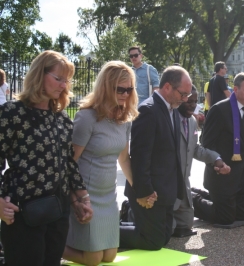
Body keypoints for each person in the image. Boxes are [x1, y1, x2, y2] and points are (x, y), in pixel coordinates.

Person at [0, 50, 92, 265]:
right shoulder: (11, 113)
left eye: (66, 80)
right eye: (58, 78)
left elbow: (68, 165)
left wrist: (81, 200)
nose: (63, 85)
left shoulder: (61, 119)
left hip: (58, 212)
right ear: (39, 74)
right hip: (22, 212)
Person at [63, 62, 138, 265]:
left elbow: (123, 159)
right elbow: (69, 163)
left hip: (108, 195)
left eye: (129, 89)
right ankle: (49, 243)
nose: (125, 94)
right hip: (86, 195)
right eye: (119, 89)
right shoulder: (86, 117)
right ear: (106, 87)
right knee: (93, 259)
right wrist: (75, 199)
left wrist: (138, 189)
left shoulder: (125, 119)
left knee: (110, 256)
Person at [120, 66, 192, 250]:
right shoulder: (148, 111)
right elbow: (140, 157)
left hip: (166, 191)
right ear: (167, 87)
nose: (185, 99)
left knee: (165, 237)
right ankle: (103, 231)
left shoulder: (173, 110)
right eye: (183, 94)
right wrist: (144, 191)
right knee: (154, 241)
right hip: (149, 192)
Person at [193, 73, 244, 224]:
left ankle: (205, 196)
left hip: (241, 174)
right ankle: (191, 197)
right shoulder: (220, 109)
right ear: (235, 89)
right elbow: (206, 142)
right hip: (222, 174)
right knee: (225, 218)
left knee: (242, 215)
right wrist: (217, 163)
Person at [173, 85, 227, 237]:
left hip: (184, 181)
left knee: (185, 226)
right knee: (166, 230)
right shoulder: (169, 118)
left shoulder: (191, 122)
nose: (193, 104)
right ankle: (131, 210)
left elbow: (195, 148)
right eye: (189, 101)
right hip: (168, 182)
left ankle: (192, 194)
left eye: (195, 101)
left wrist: (216, 158)